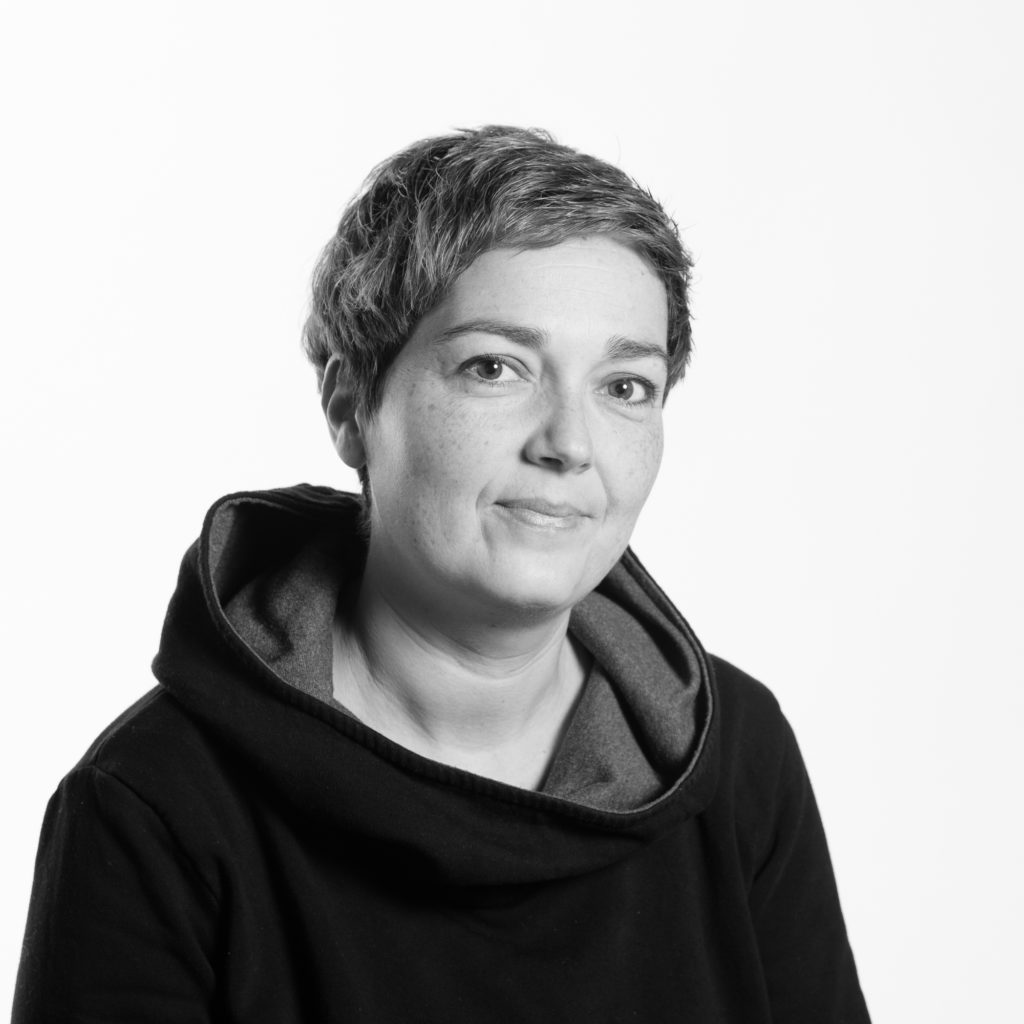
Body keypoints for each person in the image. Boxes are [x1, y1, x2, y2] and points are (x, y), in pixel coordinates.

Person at [13, 126, 870, 1022]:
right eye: (495, 368)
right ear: (351, 405)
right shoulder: (153, 804)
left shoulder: (732, 753)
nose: (570, 444)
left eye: (624, 386)